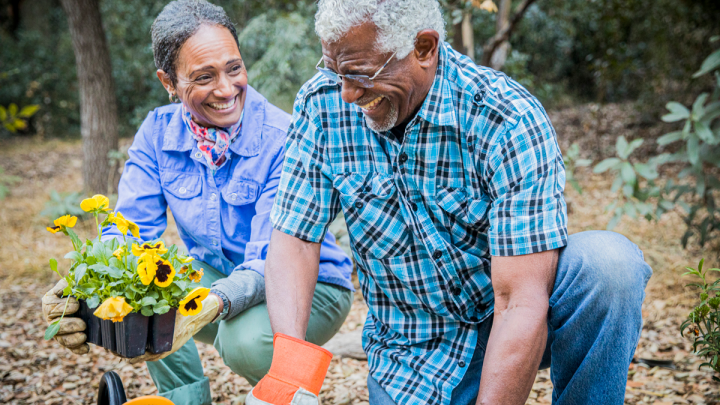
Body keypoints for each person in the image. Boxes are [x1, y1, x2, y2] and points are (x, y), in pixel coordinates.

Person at [248, 1, 653, 404]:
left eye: (360, 74)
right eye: (335, 72)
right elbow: (295, 239)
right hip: (410, 352)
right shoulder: (321, 105)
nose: (348, 94)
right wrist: (289, 372)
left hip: (512, 321)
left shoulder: (504, 118)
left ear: (423, 48)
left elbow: (518, 300)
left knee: (610, 267)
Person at [41, 1, 354, 404]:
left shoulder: (283, 137)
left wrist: (218, 300)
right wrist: (85, 286)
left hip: (309, 286)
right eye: (204, 77)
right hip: (220, 274)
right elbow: (126, 232)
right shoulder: (158, 133)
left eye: (234, 68)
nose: (226, 89)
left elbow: (272, 257)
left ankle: (289, 393)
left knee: (243, 340)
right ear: (168, 81)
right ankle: (185, 400)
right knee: (146, 296)